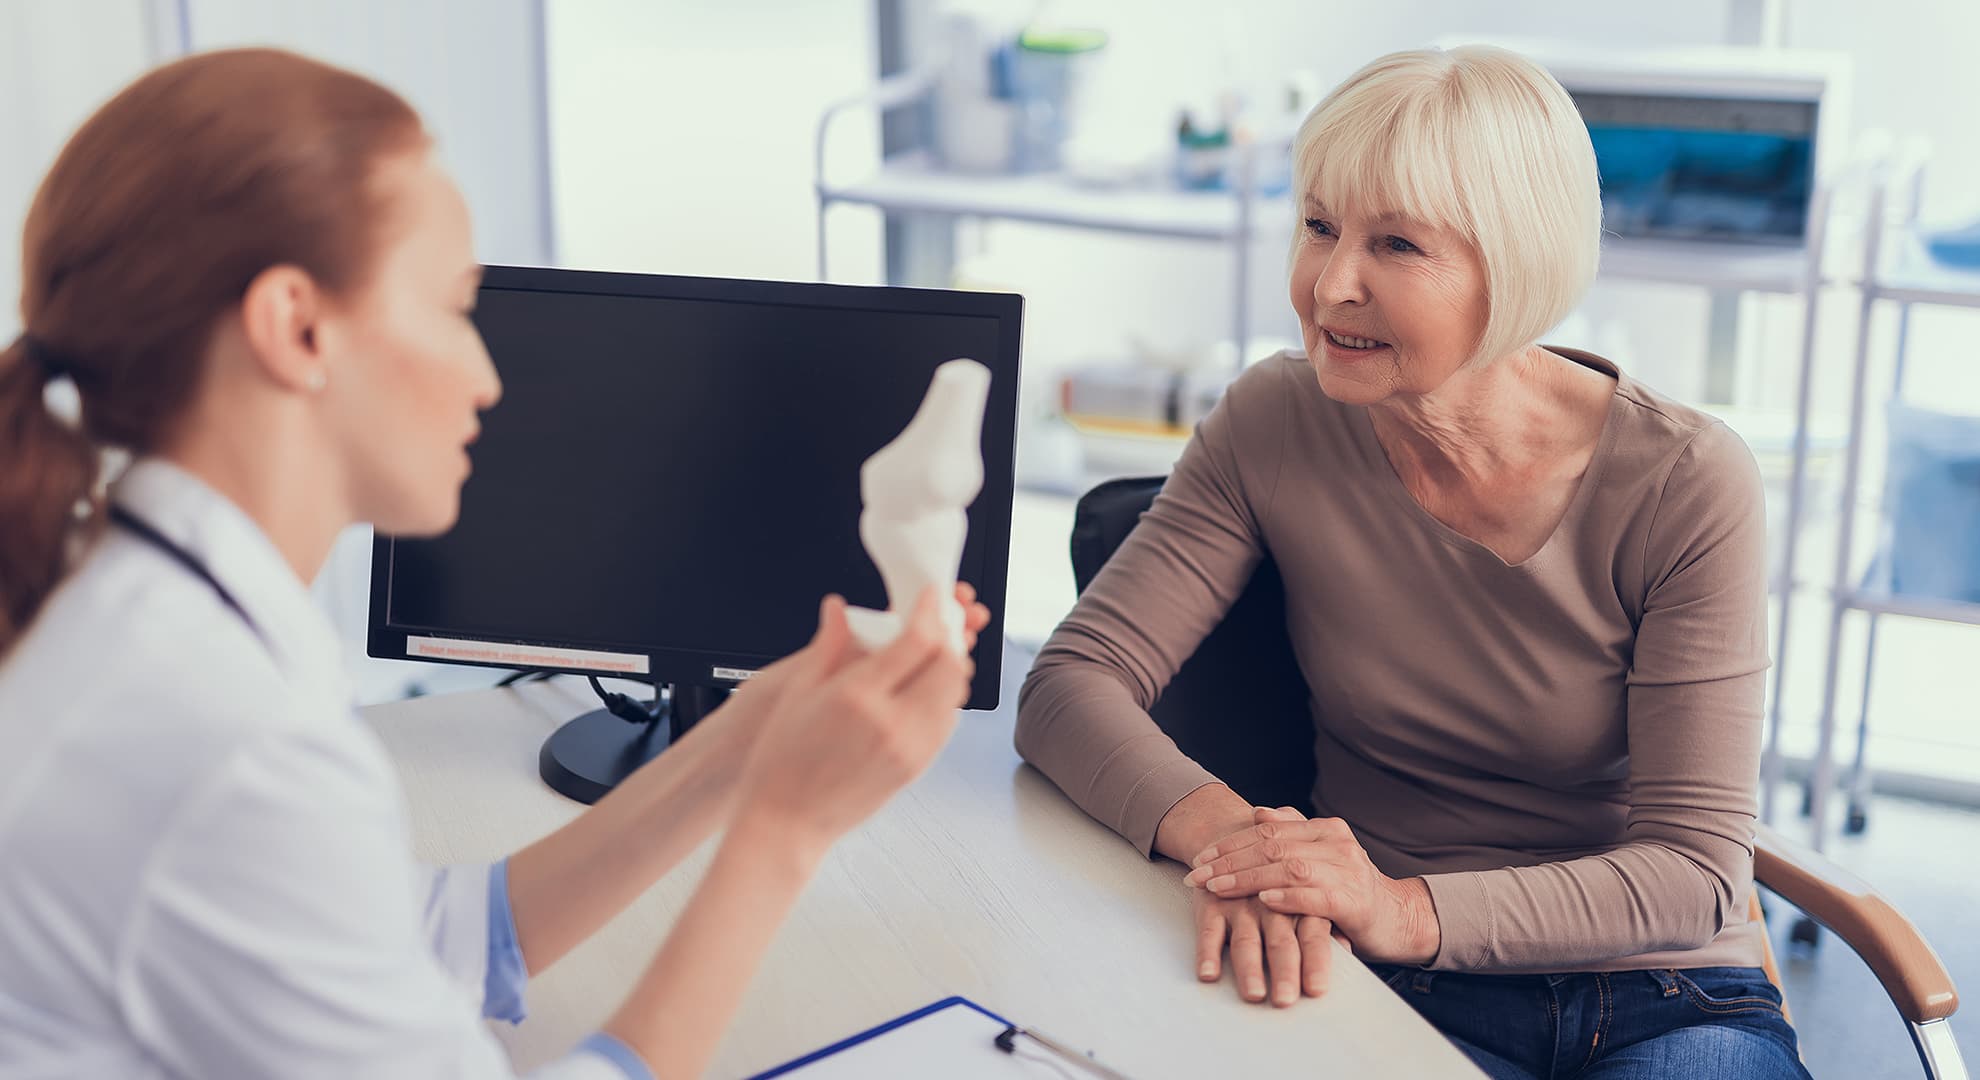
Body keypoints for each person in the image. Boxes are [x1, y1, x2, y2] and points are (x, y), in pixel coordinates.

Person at [0, 48, 988, 1079]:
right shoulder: (219, 744)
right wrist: (786, 830)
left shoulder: (137, 604)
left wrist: (749, 740)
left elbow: (421, 945)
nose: (485, 376)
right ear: (296, 327)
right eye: (454, 306)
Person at [1015, 45, 1808, 1079]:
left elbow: (1693, 871)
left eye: (1395, 244)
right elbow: (1070, 685)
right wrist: (1239, 846)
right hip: (1385, 980)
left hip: (1660, 989)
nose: (1331, 284)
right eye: (1318, 227)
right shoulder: (1274, 419)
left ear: (1513, 266)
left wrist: (1403, 908)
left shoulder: (1686, 481)